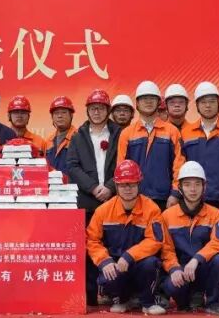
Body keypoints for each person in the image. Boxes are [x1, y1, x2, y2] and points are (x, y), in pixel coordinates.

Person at [86, 160, 167, 315]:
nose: (128, 189)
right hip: (115, 263)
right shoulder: (103, 211)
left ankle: (148, 302)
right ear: (116, 187)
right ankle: (121, 300)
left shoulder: (152, 209)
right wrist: (104, 260)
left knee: (151, 264)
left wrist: (129, 256)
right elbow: (92, 240)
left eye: (132, 184)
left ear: (139, 184)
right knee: (107, 276)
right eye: (123, 185)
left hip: (139, 263)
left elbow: (155, 240)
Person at [65, 89, 122, 306]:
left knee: (115, 247)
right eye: (92, 108)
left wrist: (110, 187)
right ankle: (90, 296)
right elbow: (72, 166)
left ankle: (116, 293)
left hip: (114, 200)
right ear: (87, 111)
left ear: (108, 110)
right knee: (89, 249)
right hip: (88, 201)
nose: (97, 112)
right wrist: (93, 187)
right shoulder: (78, 136)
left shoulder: (119, 134)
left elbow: (125, 161)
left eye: (101, 108)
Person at [161, 161, 219, 315]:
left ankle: (213, 303)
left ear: (204, 187)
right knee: (174, 286)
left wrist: (196, 259)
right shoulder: (167, 216)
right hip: (180, 269)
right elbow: (166, 249)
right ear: (180, 188)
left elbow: (218, 243)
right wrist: (174, 268)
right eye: (187, 185)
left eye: (197, 184)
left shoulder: (215, 214)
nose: (193, 189)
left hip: (202, 267)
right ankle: (185, 302)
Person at [117, 81, 184, 210]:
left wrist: (175, 193)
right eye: (144, 98)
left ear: (158, 102)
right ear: (137, 103)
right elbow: (121, 168)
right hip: (135, 199)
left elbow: (179, 166)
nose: (148, 102)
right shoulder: (126, 133)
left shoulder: (172, 131)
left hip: (165, 199)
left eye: (152, 98)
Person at [179, 82, 219, 208]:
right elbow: (180, 165)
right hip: (194, 200)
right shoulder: (186, 132)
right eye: (203, 102)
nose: (208, 105)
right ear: (197, 106)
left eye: (212, 101)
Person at [45, 96, 77, 173]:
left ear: (71, 115)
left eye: (64, 112)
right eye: (56, 113)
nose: (60, 116)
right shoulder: (48, 141)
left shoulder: (79, 138)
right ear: (52, 117)